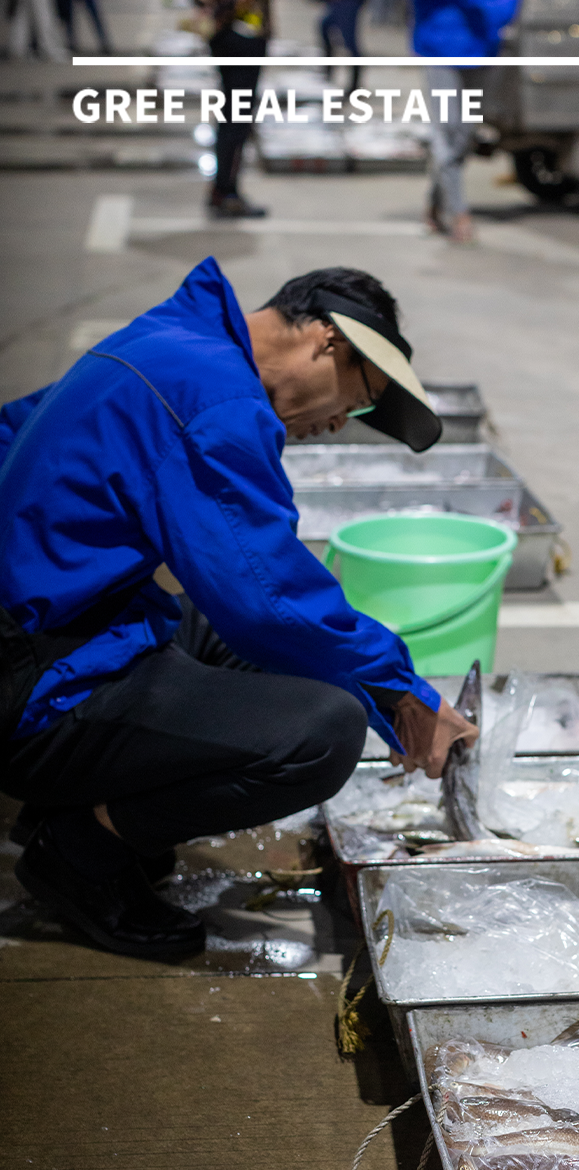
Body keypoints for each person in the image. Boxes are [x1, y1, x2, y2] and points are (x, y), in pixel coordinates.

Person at [0, 258, 477, 961]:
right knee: (324, 730)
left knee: (250, 647)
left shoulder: (173, 338)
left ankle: (88, 804)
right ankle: (77, 849)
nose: (343, 422)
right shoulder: (213, 399)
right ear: (328, 341)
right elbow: (267, 595)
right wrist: (397, 688)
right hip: (27, 676)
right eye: (361, 398)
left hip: (56, 619)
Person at [412, 0, 518, 243]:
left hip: (483, 49)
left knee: (464, 138)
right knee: (449, 132)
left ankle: (435, 205)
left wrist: (497, 16)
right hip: (440, 48)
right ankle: (459, 214)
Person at [195, 0, 271, 218]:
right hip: (240, 36)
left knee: (232, 116)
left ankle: (223, 190)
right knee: (236, 120)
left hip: (232, 33)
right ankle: (226, 193)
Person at [321, 0, 363, 95]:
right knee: (324, 26)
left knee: (349, 42)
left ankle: (355, 85)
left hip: (348, 4)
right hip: (336, 4)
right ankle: (327, 72)